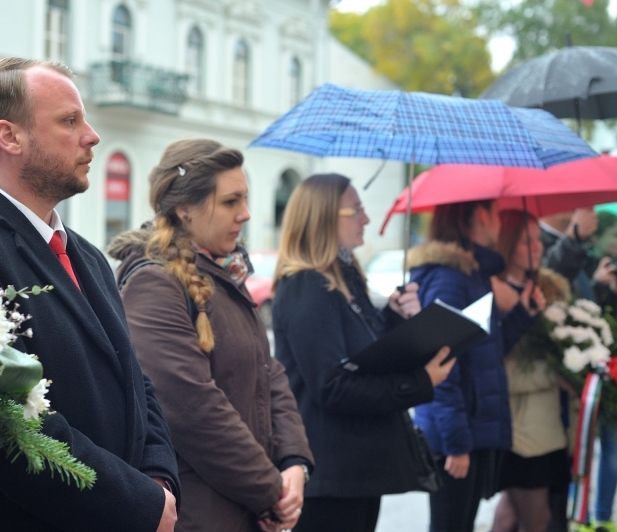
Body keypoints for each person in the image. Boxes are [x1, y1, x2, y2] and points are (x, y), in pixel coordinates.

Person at [0, 58, 179, 532]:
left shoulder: (86, 255)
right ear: (10, 137)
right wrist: (135, 502)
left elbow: (134, 379)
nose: (92, 135)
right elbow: (2, 429)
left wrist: (160, 479)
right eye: (69, 120)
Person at [107, 138, 314, 532]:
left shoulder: (225, 275)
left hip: (242, 507)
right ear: (185, 208)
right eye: (230, 202)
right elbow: (192, 409)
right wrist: (271, 491)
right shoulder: (155, 283)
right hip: (200, 515)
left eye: (246, 199)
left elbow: (270, 376)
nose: (247, 214)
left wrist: (294, 463)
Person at [270, 173, 455, 532]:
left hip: (353, 473)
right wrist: (421, 382)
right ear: (323, 217)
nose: (366, 219)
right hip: (330, 476)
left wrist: (397, 318)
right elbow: (334, 386)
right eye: (356, 210)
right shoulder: (309, 286)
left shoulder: (343, 278)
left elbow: (368, 356)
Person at [407, 200, 543, 532]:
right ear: (481, 217)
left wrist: (522, 314)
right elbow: (442, 367)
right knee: (451, 524)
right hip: (455, 436)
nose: (498, 222)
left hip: (468, 430)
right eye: (495, 214)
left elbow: (483, 351)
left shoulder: (473, 274)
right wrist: (456, 442)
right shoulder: (451, 279)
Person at [490, 211, 572, 532]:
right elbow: (499, 365)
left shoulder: (544, 288)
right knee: (535, 518)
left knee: (513, 514)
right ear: (508, 244)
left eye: (538, 239)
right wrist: (556, 376)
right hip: (520, 426)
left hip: (550, 421)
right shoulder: (494, 291)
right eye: (527, 240)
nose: (537, 247)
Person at [581, 211, 617, 532]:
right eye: (614, 235)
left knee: (613, 446)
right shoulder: (583, 271)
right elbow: (582, 317)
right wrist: (599, 289)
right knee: (582, 446)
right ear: (597, 238)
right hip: (587, 369)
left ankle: (604, 516)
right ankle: (580, 514)